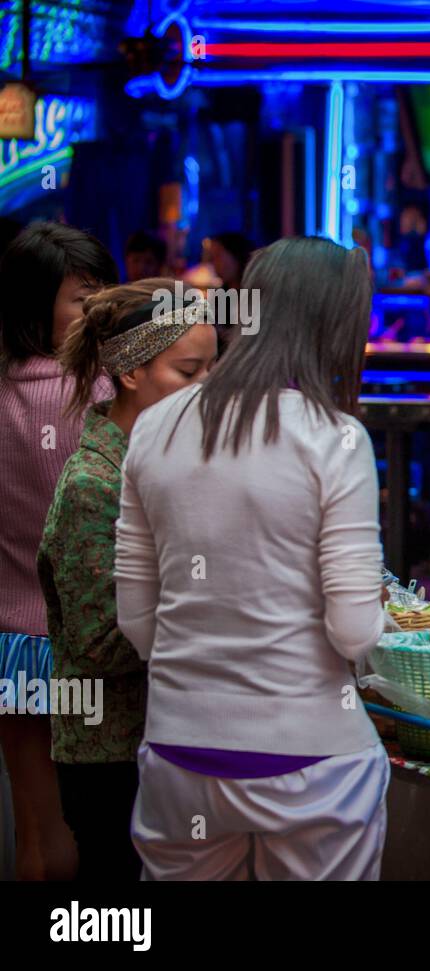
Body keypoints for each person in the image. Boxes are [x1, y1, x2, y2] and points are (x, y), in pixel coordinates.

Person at [116, 236, 390, 880]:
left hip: (177, 752)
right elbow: (353, 632)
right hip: (314, 762)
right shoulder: (336, 437)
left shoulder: (154, 426)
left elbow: (138, 623)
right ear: (336, 326)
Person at [38, 279, 217, 881]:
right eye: (187, 372)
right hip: (108, 748)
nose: (204, 392)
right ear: (131, 373)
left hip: (164, 734)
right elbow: (97, 643)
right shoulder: (94, 483)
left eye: (211, 372)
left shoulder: (176, 462)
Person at [0, 221, 118, 880]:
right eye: (83, 297)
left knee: (33, 827)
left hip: (9, 642)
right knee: (85, 831)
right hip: (77, 648)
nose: (97, 310)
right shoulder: (97, 391)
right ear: (34, 301)